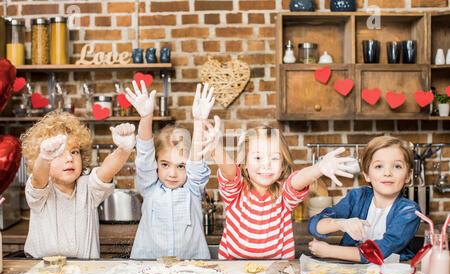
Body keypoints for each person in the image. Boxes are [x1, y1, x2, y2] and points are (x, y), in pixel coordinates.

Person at [201, 117, 354, 259]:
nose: (266, 165)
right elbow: (230, 172)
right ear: (245, 163)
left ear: (283, 165)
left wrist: (319, 169)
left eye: (274, 158)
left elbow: (297, 181)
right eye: (258, 157)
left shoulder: (284, 195)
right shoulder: (236, 191)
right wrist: (216, 149)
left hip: (277, 269)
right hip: (234, 267)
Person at [21, 111, 135, 259]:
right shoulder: (40, 192)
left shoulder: (88, 188)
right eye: (58, 153)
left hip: (86, 273)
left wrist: (123, 150)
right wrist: (44, 158)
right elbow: (38, 179)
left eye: (74, 152)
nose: (69, 158)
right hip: (42, 271)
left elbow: (106, 171)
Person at [128, 81, 214, 259]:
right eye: (165, 164)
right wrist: (146, 118)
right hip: (148, 266)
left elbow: (197, 164)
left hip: (192, 268)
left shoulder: (193, 190)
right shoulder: (149, 188)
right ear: (156, 163)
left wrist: (199, 122)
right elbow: (144, 155)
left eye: (181, 166)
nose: (172, 174)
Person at [308, 136, 421, 262]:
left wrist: (329, 251)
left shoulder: (409, 211)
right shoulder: (357, 197)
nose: (387, 172)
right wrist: (341, 224)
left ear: (408, 176)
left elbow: (378, 252)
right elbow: (314, 225)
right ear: (367, 175)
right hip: (349, 273)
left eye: (397, 166)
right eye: (379, 166)